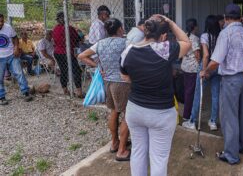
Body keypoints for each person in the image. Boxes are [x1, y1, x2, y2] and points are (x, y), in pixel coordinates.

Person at [121, 15, 191, 176]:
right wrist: (172, 23)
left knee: (138, 151)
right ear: (163, 36)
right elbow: (187, 43)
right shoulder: (165, 49)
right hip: (161, 113)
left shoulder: (128, 50)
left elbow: (125, 77)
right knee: (158, 158)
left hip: (135, 109)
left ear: (145, 31)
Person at [200, 4, 243, 165]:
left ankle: (231, 154)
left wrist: (205, 71)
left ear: (225, 18)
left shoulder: (225, 34)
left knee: (229, 115)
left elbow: (216, 60)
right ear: (240, 18)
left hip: (231, 79)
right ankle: (241, 145)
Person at [78, 18, 131, 161]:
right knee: (128, 115)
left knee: (114, 112)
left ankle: (114, 143)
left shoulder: (100, 44)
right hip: (123, 83)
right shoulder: (126, 43)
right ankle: (122, 150)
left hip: (107, 82)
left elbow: (81, 56)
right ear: (120, 29)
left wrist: (98, 67)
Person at [182, 15, 221, 131]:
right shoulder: (220, 36)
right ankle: (213, 122)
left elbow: (206, 55)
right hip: (217, 67)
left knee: (197, 96)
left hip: (206, 66)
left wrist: (204, 70)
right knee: (215, 96)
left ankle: (192, 121)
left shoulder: (204, 36)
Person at [0, 14, 32, 105]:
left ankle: (25, 92)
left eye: (2, 21)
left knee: (19, 73)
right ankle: (2, 97)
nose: (1, 23)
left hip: (12, 55)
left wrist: (16, 48)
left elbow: (15, 38)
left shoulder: (8, 27)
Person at [52, 12, 83, 97]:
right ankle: (79, 92)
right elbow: (78, 40)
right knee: (77, 71)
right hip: (67, 53)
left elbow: (55, 41)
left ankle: (65, 91)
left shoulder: (55, 29)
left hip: (58, 53)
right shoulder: (69, 28)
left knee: (64, 71)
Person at [181, 19, 200, 120]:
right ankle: (187, 115)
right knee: (190, 92)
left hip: (184, 66)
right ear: (194, 27)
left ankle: (186, 113)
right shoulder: (195, 38)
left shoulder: (183, 36)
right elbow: (197, 55)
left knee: (187, 90)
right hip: (192, 68)